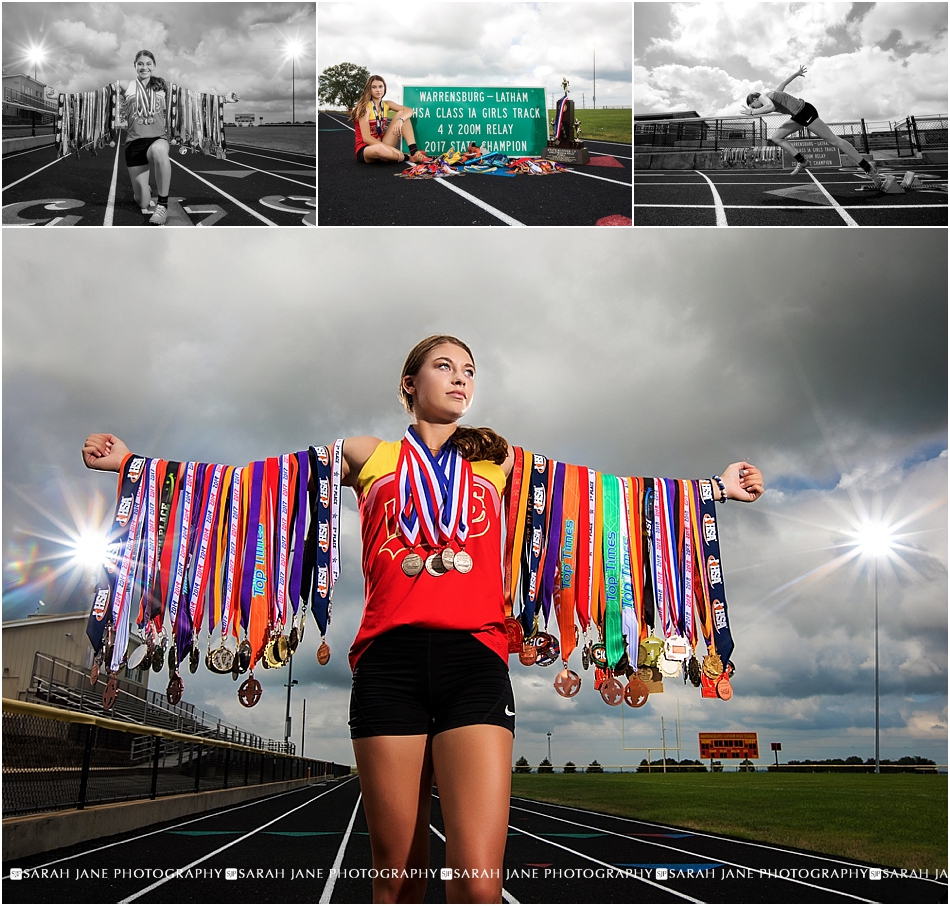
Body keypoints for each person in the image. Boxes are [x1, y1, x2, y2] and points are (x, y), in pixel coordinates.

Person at [82, 335, 765, 904]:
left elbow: (612, 496)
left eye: (470, 371)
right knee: (398, 880)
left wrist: (715, 490)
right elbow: (247, 487)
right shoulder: (363, 455)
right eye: (446, 365)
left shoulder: (502, 462)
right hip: (388, 668)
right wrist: (136, 465)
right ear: (408, 383)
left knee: (477, 885)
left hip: (475, 662)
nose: (461, 378)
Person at [121, 50, 239, 225]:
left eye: (148, 63)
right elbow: (94, 98)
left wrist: (223, 99)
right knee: (142, 202)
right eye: (140, 64)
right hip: (134, 145)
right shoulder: (126, 85)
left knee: (161, 151)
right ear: (135, 66)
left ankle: (162, 205)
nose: (144, 67)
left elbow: (193, 98)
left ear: (153, 66)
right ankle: (144, 190)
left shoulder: (163, 87)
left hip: (157, 140)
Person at [742, 66, 881, 182]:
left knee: (833, 140)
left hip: (805, 111)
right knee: (776, 137)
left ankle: (868, 168)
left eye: (753, 106)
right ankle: (802, 160)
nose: (754, 108)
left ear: (754, 98)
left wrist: (753, 113)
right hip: (797, 116)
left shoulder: (763, 97)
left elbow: (770, 107)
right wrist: (796, 74)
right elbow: (784, 83)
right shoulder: (773, 94)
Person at [349, 74, 431, 165]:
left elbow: (409, 110)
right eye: (374, 87)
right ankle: (407, 157)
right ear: (369, 89)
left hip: (383, 142)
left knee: (402, 114)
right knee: (380, 150)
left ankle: (414, 152)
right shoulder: (365, 108)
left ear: (384, 88)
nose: (378, 90)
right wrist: (392, 149)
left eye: (380, 86)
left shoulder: (387, 104)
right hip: (366, 148)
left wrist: (400, 120)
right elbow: (366, 138)